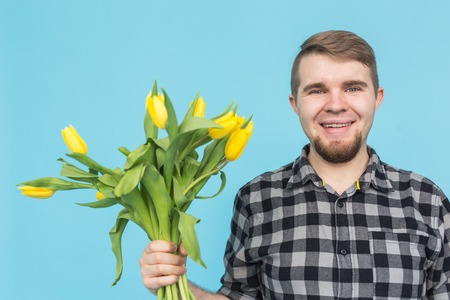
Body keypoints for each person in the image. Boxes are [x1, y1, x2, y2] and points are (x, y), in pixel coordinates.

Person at [139, 30, 450, 299]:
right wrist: (174, 283)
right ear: (295, 103)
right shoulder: (256, 200)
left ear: (376, 98)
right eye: (317, 90)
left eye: (353, 87)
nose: (336, 104)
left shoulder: (427, 200)